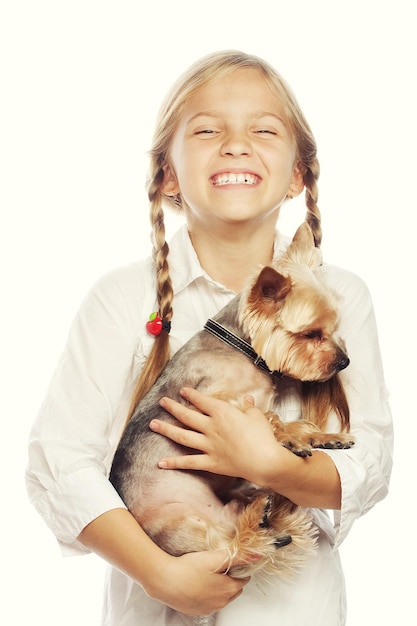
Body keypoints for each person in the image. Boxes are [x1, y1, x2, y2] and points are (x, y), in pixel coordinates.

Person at [26, 50, 393, 626]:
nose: (236, 144)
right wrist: (158, 572)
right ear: (168, 173)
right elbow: (59, 464)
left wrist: (271, 465)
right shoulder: (122, 297)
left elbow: (370, 466)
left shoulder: (342, 296)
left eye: (264, 129)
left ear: (299, 173)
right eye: (206, 130)